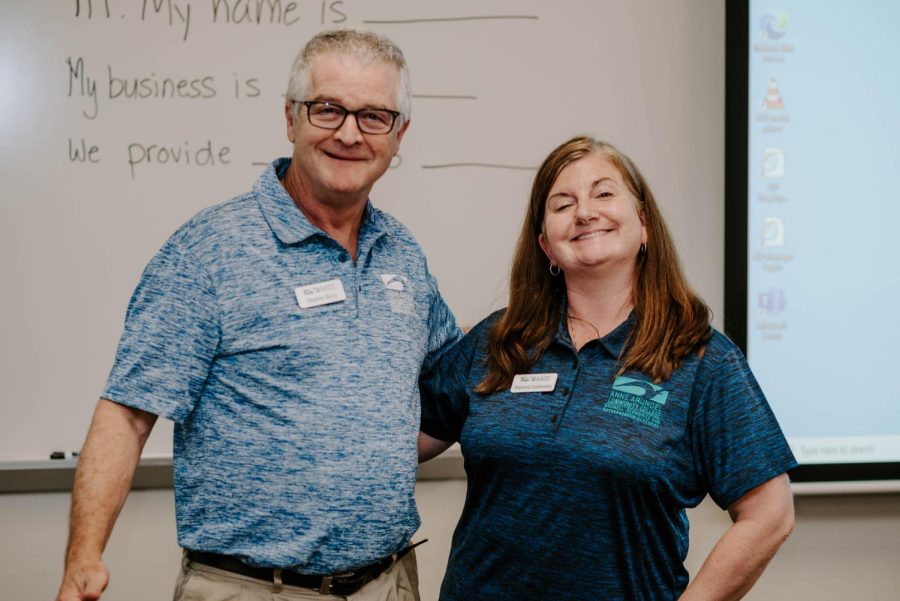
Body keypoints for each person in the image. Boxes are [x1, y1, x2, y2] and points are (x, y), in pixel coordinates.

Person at [56, 28, 461, 601]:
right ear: (291, 118)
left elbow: (450, 377)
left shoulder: (402, 252)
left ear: (399, 136)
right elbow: (127, 414)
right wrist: (83, 556)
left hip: (389, 582)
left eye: (374, 116)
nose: (349, 133)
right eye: (328, 110)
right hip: (251, 588)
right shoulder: (208, 250)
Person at [418, 136, 796, 600]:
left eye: (603, 193)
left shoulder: (701, 358)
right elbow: (404, 440)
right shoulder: (498, 341)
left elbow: (770, 513)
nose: (584, 213)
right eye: (563, 204)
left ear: (644, 225)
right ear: (546, 246)